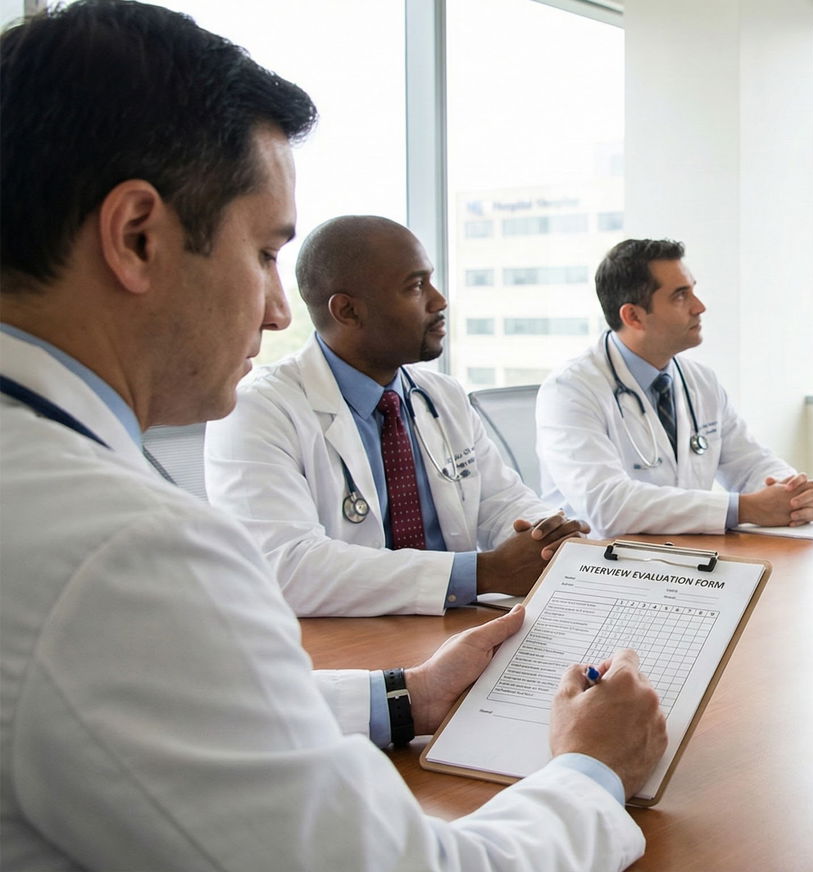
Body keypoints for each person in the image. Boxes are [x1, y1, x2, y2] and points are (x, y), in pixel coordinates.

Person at [0, 3, 665, 869]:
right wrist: (589, 772)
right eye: (267, 252)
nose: (279, 308)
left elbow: (186, 702)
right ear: (137, 237)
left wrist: (407, 697)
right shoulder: (124, 554)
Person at [206, 215, 587, 617]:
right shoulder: (257, 408)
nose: (439, 301)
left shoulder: (441, 396)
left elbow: (501, 502)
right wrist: (481, 573)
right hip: (348, 651)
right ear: (348, 311)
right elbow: (287, 567)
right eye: (416, 286)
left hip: (456, 629)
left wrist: (550, 538)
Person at [535, 238, 813, 537]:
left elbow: (749, 463)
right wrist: (746, 508)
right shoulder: (569, 390)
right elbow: (608, 505)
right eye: (680, 296)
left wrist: (793, 492)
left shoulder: (700, 381)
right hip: (600, 567)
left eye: (693, 291)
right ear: (633, 316)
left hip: (686, 560)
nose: (700, 307)